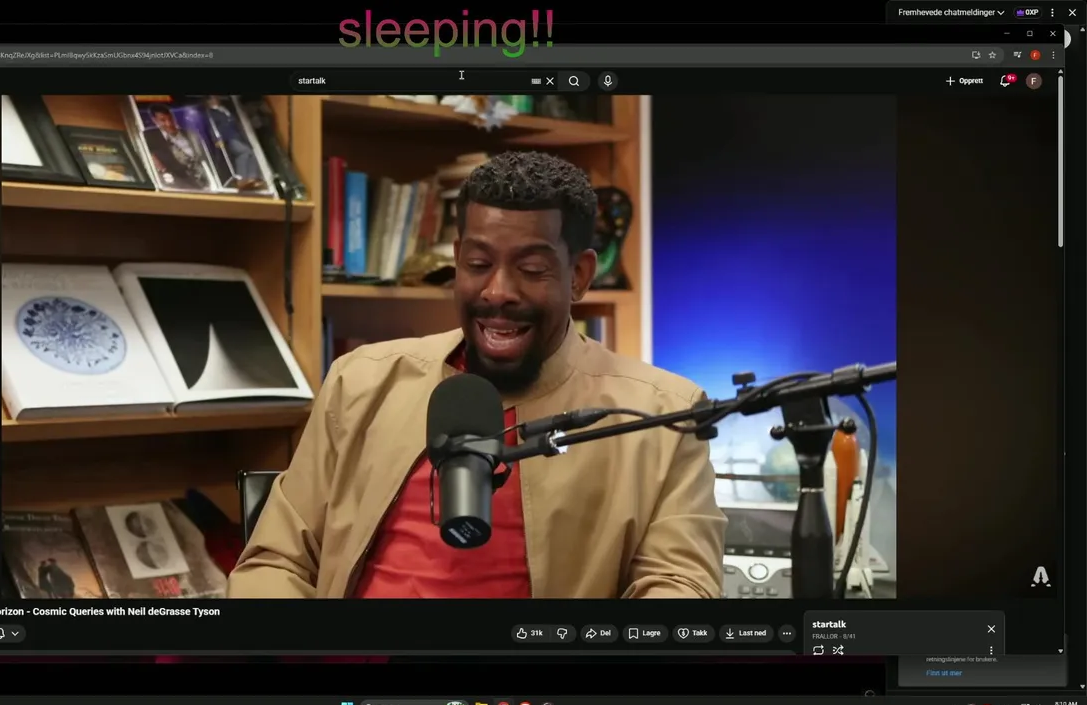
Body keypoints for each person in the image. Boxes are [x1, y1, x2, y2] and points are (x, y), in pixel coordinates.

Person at [227, 151, 726, 599]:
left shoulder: (662, 414)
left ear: (579, 276)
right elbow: (276, 561)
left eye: (532, 269)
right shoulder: (361, 381)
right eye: (478, 263)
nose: (497, 291)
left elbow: (680, 584)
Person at [142, 104, 212, 190]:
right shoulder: (149, 137)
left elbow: (204, 156)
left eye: (170, 118)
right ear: (155, 120)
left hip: (204, 179)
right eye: (163, 120)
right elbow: (144, 155)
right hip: (177, 184)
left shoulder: (190, 134)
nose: (169, 123)